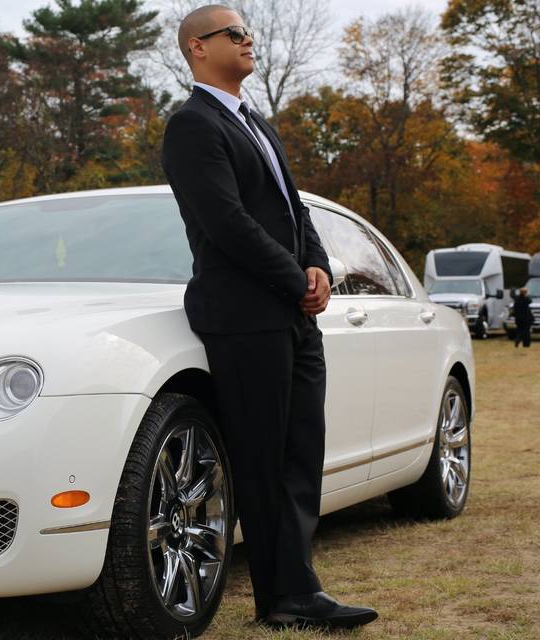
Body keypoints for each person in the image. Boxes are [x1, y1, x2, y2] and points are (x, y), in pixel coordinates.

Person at [160, 4, 378, 631]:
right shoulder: (193, 127)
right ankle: (281, 597)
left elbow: (293, 210)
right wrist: (293, 279)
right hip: (244, 317)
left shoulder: (257, 123)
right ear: (198, 49)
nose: (248, 39)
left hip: (291, 315)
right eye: (234, 33)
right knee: (262, 457)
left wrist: (318, 268)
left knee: (300, 453)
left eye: (247, 30)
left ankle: (298, 589)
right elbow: (226, 223)